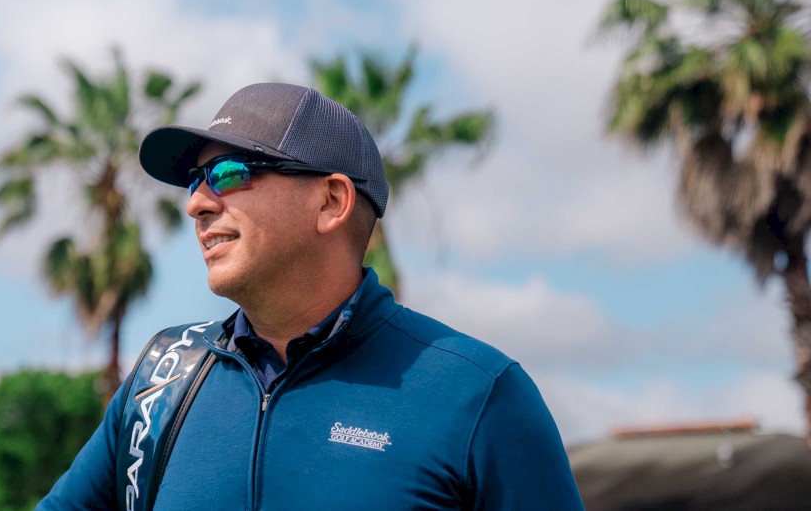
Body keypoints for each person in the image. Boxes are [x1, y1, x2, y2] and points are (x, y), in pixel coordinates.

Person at [38, 83, 584, 510]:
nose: (197, 204)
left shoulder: (477, 393)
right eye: (194, 182)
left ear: (331, 201)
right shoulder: (163, 379)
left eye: (228, 174)